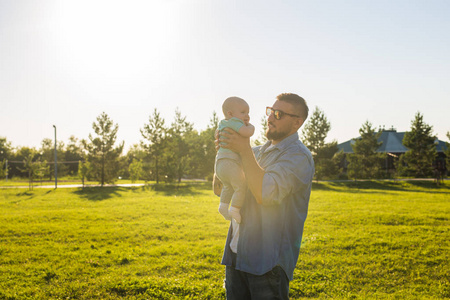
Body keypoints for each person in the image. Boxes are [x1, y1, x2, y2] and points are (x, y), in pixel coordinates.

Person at [213, 93, 314, 299]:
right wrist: (224, 155)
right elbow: (219, 188)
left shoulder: (298, 156)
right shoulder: (256, 152)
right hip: (236, 254)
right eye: (270, 111)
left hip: (268, 264)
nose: (270, 118)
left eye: (279, 114)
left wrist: (243, 150)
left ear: (297, 122)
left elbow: (264, 194)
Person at [215, 96, 255, 224]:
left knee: (228, 186)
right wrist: (251, 127)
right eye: (243, 112)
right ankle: (235, 209)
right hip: (231, 163)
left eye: (248, 113)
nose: (247, 116)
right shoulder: (234, 122)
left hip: (220, 163)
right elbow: (246, 132)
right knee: (241, 186)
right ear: (230, 114)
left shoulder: (222, 124)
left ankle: (223, 206)